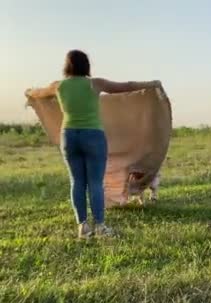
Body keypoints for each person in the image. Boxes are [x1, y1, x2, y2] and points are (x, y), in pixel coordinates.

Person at [25, 49, 160, 238]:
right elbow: (126, 86)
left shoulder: (58, 86)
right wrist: (152, 84)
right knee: (95, 183)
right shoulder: (95, 84)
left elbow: (38, 93)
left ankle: (82, 227)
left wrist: (29, 91)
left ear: (67, 66)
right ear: (86, 65)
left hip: (69, 136)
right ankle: (100, 226)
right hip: (93, 136)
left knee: (77, 182)